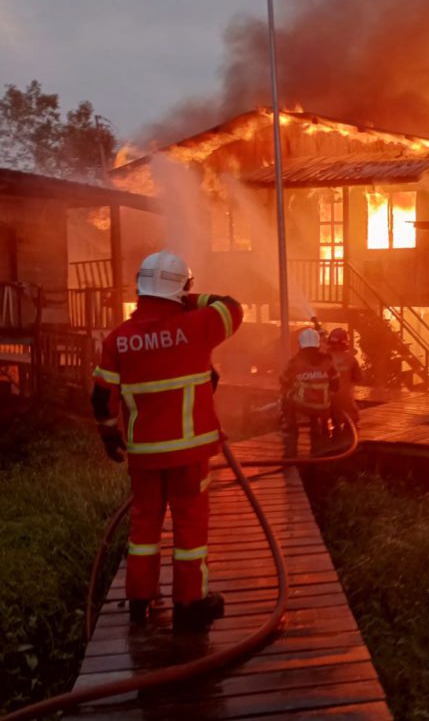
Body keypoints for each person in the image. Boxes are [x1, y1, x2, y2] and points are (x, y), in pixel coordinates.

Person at [91, 251, 243, 632]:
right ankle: (189, 604)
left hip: (144, 455)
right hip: (189, 452)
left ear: (140, 288)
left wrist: (110, 434)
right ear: (181, 291)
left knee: (144, 528)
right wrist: (189, 300)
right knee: (190, 527)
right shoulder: (197, 324)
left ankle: (140, 601)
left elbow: (100, 397)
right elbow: (233, 307)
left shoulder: (117, 340)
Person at [280, 327, 339, 457]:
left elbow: (284, 381)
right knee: (320, 426)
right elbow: (335, 385)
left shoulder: (295, 363)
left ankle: (290, 451)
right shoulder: (328, 361)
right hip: (323, 407)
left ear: (300, 345)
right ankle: (319, 450)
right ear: (317, 344)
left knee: (286, 399)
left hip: (302, 405)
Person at [327, 327, 362, 441]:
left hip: (327, 399)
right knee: (353, 419)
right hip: (346, 400)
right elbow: (359, 378)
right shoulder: (351, 359)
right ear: (345, 342)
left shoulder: (324, 359)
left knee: (329, 421)